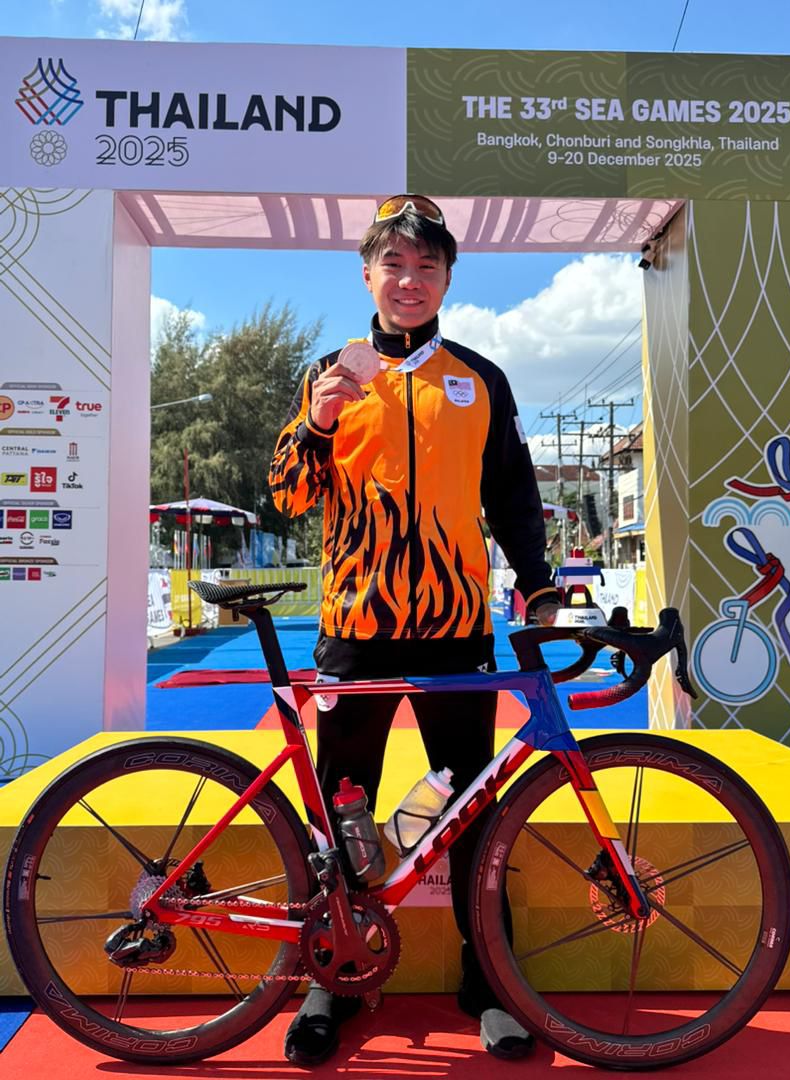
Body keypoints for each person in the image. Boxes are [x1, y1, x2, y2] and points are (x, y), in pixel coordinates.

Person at [269, 194, 560, 1066]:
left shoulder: (480, 379)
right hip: (356, 626)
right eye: (393, 264)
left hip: (455, 627)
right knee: (341, 802)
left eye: (426, 266)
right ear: (367, 274)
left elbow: (513, 494)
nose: (409, 280)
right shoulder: (330, 373)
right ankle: (334, 976)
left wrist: (538, 583)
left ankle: (490, 982)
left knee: (471, 807)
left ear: (447, 279)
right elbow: (287, 496)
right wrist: (318, 421)